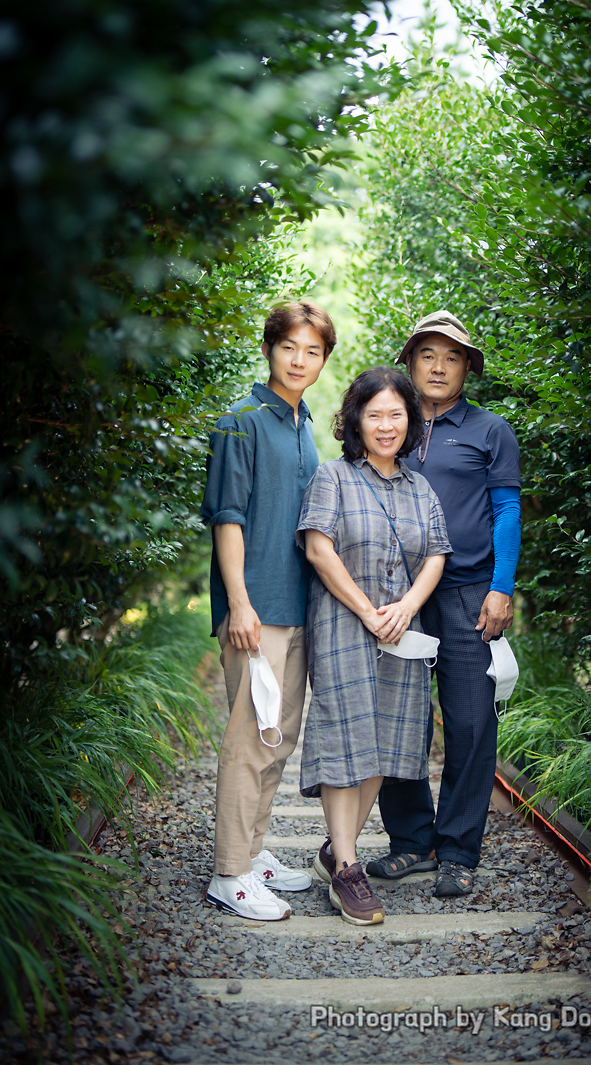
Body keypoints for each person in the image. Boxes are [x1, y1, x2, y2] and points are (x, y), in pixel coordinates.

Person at [366, 310, 521, 898]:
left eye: (452, 357)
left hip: (467, 594)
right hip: (397, 595)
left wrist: (501, 587)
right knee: (395, 721)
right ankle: (411, 842)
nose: (438, 366)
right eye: (428, 354)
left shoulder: (489, 431)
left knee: (472, 720)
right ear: (410, 362)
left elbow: (506, 512)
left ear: (466, 368)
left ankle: (458, 849)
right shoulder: (391, 424)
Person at [296, 367, 452, 926]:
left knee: (384, 745)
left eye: (396, 414)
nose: (386, 425)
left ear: (409, 421)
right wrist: (367, 611)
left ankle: (337, 850)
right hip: (343, 625)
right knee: (346, 736)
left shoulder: (419, 487)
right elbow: (318, 549)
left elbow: (437, 552)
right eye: (374, 414)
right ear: (355, 420)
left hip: (401, 633)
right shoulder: (333, 477)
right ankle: (346, 871)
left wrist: (407, 606)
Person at [200, 300, 335, 921]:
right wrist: (240, 604)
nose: (300, 359)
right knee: (249, 741)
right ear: (270, 348)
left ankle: (253, 854)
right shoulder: (241, 421)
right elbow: (227, 520)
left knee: (277, 742)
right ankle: (230, 872)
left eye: (313, 350)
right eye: (290, 347)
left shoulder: (302, 424)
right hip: (256, 609)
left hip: (297, 606)